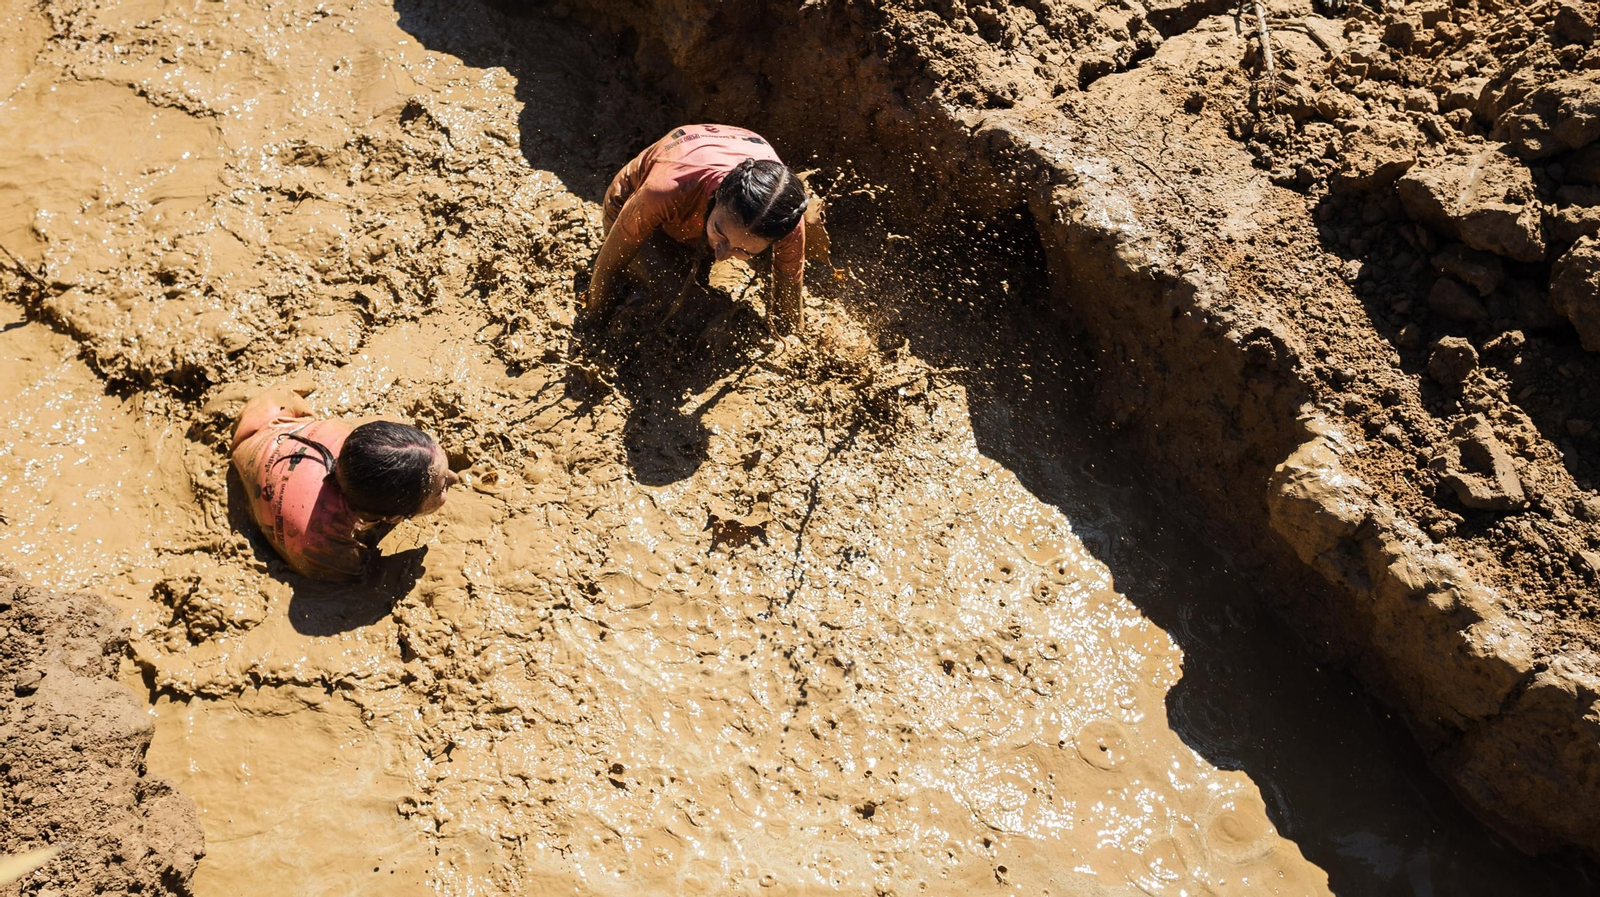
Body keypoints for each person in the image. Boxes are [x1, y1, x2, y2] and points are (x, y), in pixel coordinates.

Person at [585, 124, 812, 334]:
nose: (722, 255)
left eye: (744, 250)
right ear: (718, 196)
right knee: (690, 310)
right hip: (630, 202)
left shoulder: (787, 222)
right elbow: (609, 266)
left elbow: (789, 309)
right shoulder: (665, 190)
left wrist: (792, 343)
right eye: (720, 233)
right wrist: (593, 325)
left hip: (694, 210)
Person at [230, 384, 458, 582]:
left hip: (267, 415)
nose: (455, 478)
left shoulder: (358, 441)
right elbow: (346, 583)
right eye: (441, 488)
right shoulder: (320, 541)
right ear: (393, 518)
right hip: (247, 464)